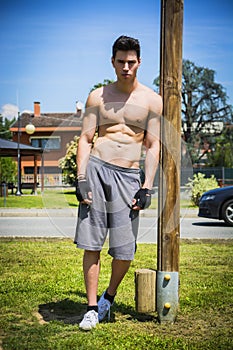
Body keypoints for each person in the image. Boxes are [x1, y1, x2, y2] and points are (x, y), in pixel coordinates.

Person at [74, 35, 162, 331]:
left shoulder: (152, 100)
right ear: (112, 62)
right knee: (92, 243)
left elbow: (152, 145)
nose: (126, 67)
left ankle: (107, 298)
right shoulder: (97, 97)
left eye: (131, 62)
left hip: (128, 176)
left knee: (124, 250)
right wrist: (81, 178)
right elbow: (86, 139)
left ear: (139, 62)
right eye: (121, 61)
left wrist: (147, 185)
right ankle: (89, 309)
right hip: (97, 170)